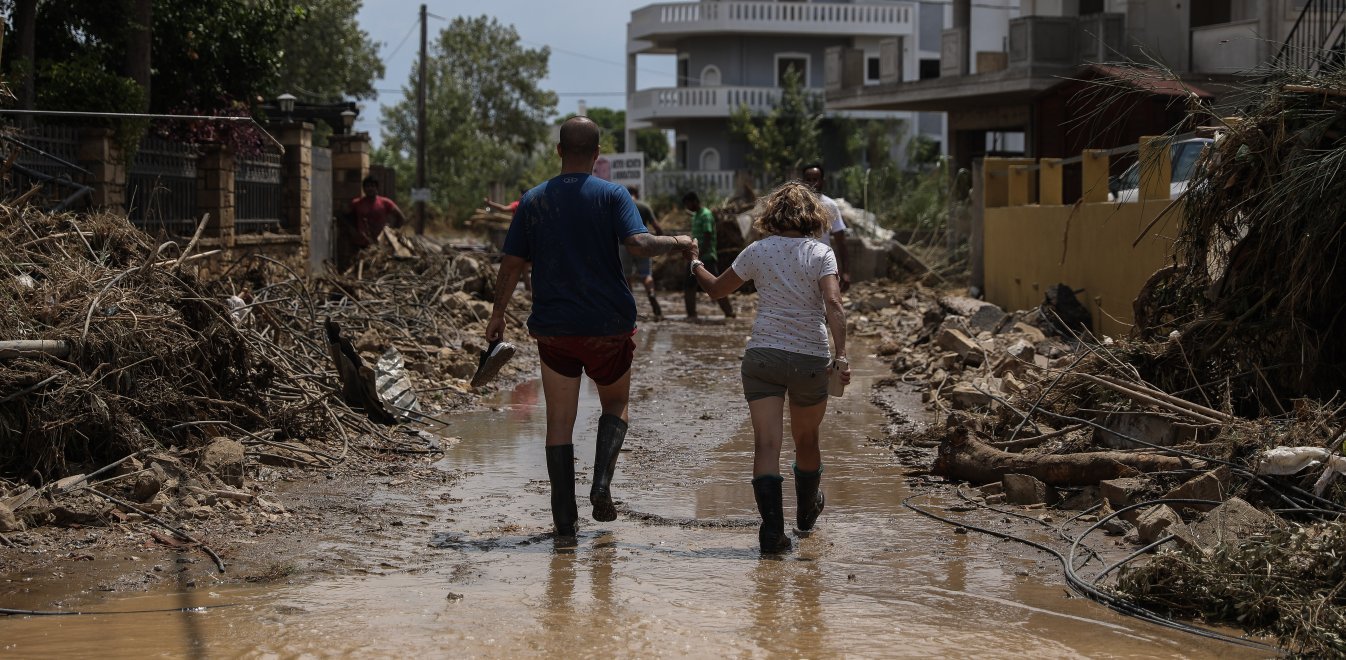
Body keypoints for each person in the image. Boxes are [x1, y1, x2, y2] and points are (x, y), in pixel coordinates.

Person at [486, 116, 696, 540]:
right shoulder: (614, 195)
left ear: (559, 151)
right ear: (597, 155)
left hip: (555, 329)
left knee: (559, 423)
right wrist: (678, 241)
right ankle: (601, 484)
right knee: (615, 404)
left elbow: (510, 264)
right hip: (608, 326)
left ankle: (565, 525)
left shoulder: (533, 200)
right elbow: (638, 244)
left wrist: (497, 314)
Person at [688, 181, 851, 554]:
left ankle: (772, 533)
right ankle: (807, 513)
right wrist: (840, 355)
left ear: (771, 214)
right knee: (807, 440)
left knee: (766, 443)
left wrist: (695, 262)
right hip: (810, 356)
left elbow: (715, 290)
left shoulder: (757, 251)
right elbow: (834, 305)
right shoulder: (821, 253)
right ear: (814, 216)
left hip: (763, 356)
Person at [682, 191, 735, 320]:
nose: (687, 207)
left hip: (707, 257)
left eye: (688, 203)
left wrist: (698, 256)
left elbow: (707, 236)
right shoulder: (695, 216)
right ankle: (691, 315)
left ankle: (729, 313)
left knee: (717, 285)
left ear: (694, 201)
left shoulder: (706, 215)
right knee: (689, 286)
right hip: (694, 257)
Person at [800, 163, 851, 293]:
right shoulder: (795, 205)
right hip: (798, 262)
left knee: (828, 302)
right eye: (808, 179)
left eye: (815, 179)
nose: (812, 183)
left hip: (822, 262)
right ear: (802, 181)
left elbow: (841, 241)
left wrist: (846, 271)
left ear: (822, 181)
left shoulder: (830, 206)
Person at [618, 186, 665, 319]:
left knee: (627, 277)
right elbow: (657, 227)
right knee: (646, 275)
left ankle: (631, 306)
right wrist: (659, 243)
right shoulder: (644, 206)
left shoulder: (620, 206)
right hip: (643, 244)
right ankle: (651, 294)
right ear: (637, 194)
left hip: (624, 245)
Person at [348, 176, 407, 251]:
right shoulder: (356, 203)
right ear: (364, 189)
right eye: (367, 186)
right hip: (361, 244)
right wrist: (353, 232)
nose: (370, 188)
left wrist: (392, 232)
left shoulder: (385, 202)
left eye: (372, 186)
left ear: (376, 188)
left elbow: (401, 217)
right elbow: (347, 219)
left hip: (382, 243)